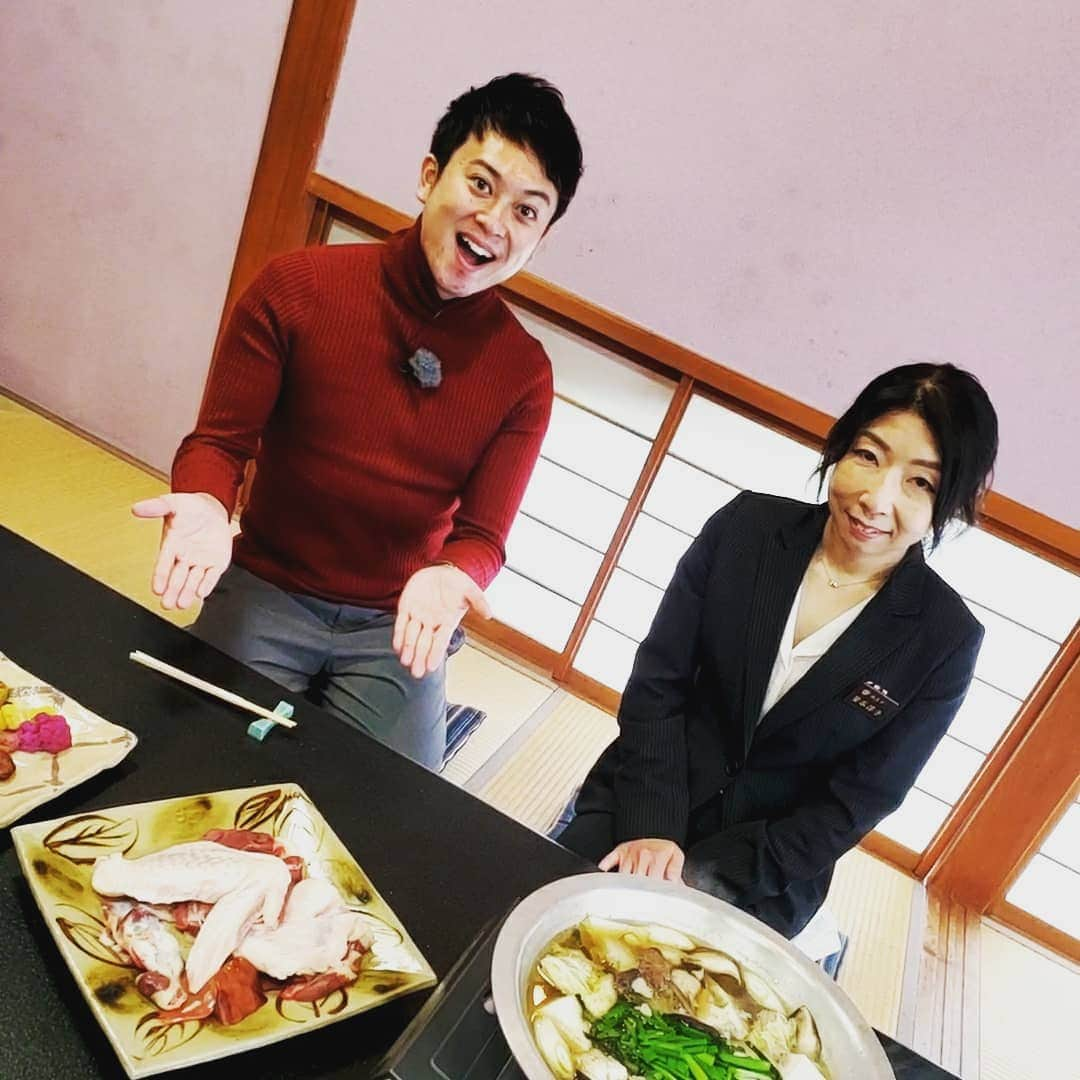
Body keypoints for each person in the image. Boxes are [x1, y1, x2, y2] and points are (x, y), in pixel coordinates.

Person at [132, 74, 584, 769]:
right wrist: (203, 500)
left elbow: (483, 536)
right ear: (430, 176)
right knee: (187, 760)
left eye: (528, 212)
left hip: (396, 619)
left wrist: (453, 573)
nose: (496, 222)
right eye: (483, 185)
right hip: (266, 584)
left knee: (395, 815)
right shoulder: (298, 288)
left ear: (541, 238)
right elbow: (220, 443)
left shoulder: (523, 373)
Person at [557, 363, 999, 939]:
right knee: (537, 927)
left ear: (952, 503)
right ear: (840, 447)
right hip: (644, 799)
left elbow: (858, 801)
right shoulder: (746, 529)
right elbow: (657, 686)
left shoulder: (944, 640)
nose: (876, 499)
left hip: (766, 873)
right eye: (868, 455)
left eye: (921, 483)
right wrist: (652, 829)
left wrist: (704, 875)